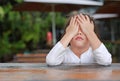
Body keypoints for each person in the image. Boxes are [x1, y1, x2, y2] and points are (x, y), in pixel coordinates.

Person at [46, 13, 112, 66]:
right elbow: (51, 61)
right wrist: (69, 34)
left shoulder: (95, 52)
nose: (79, 32)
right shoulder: (63, 53)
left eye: (84, 30)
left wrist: (90, 32)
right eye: (75, 29)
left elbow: (106, 61)